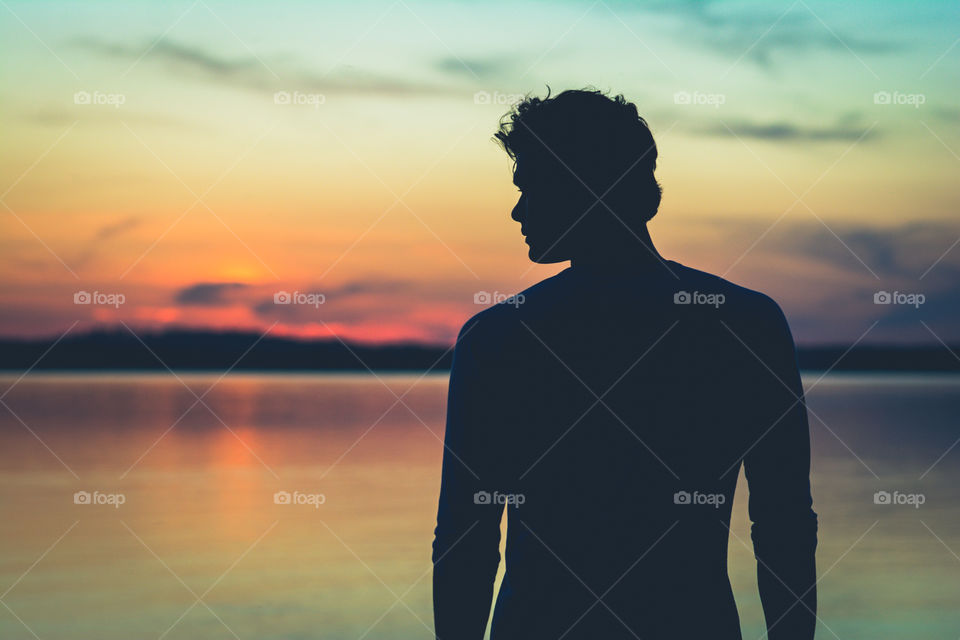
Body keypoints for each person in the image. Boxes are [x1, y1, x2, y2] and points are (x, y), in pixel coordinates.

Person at [432, 88, 817, 640]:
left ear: (581, 187)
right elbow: (784, 526)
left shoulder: (501, 337)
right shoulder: (744, 323)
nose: (517, 210)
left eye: (530, 187)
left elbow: (466, 536)